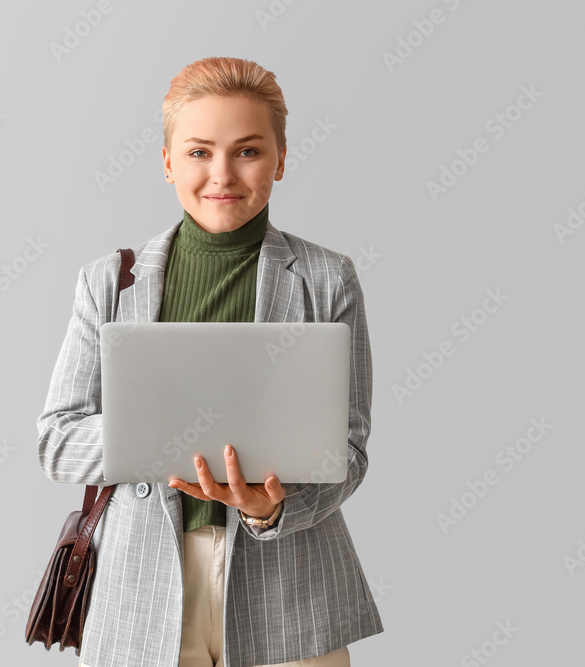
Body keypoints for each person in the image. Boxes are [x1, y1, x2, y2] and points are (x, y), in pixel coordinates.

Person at [38, 56, 383, 667]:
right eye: (199, 152)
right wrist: (163, 425)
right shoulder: (108, 285)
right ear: (168, 161)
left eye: (247, 151)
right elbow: (58, 443)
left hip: (290, 585)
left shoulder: (329, 279)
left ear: (280, 158)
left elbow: (348, 451)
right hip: (143, 588)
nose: (222, 173)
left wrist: (273, 507)